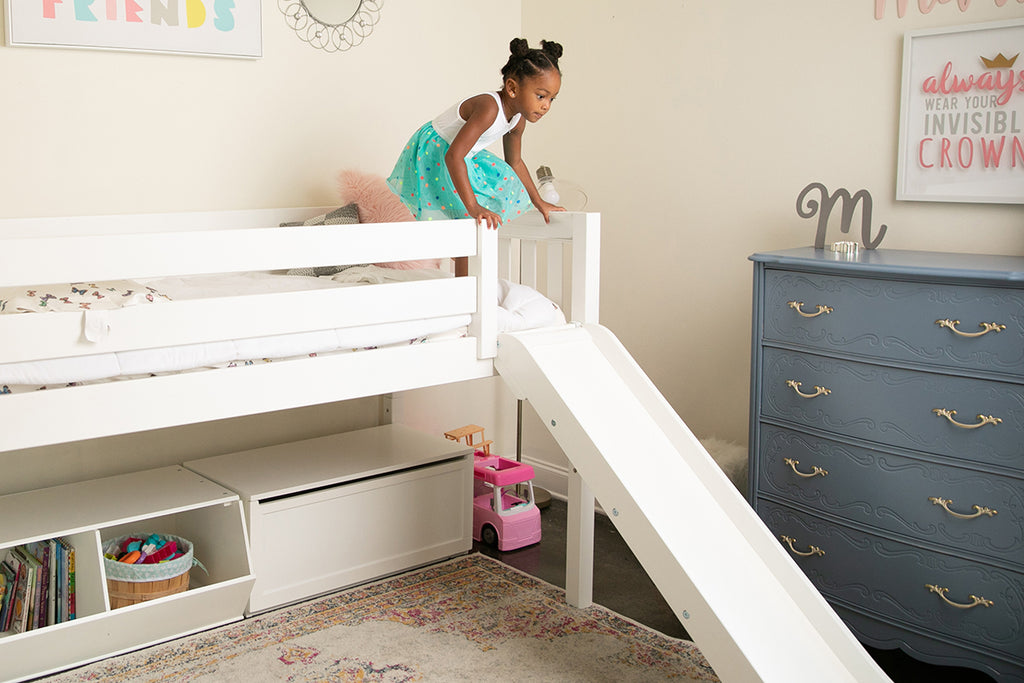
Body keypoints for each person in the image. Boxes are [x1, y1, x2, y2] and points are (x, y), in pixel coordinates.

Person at [387, 38, 566, 276]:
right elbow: (453, 156)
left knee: (483, 206)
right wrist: (473, 206)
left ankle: (465, 283)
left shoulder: (518, 119)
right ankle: (462, 287)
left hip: (462, 155)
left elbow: (515, 162)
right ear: (512, 88)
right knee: (466, 217)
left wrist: (538, 201)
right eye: (541, 96)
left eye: (552, 99)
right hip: (437, 151)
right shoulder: (490, 107)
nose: (546, 106)